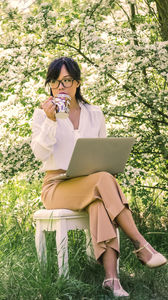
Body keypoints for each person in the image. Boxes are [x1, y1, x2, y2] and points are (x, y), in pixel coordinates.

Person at [30, 57, 167, 297]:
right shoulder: (42, 114)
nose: (60, 87)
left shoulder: (94, 113)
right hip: (56, 188)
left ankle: (111, 280)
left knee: (99, 198)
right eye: (54, 82)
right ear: (49, 85)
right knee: (103, 181)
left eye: (66, 81)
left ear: (77, 83)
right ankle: (141, 245)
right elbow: (40, 154)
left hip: (90, 183)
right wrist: (51, 122)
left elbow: (101, 155)